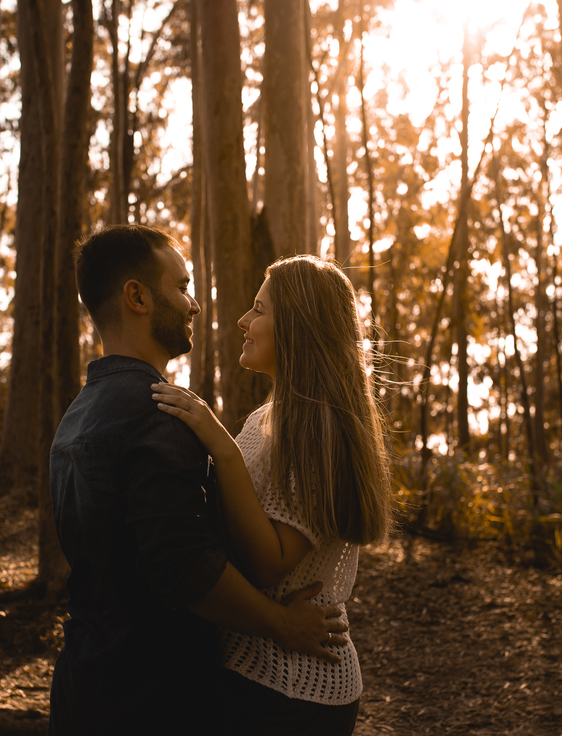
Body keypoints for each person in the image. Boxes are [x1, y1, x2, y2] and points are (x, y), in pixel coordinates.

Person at [48, 227, 349, 735]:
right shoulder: (160, 414)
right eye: (182, 286)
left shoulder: (73, 419)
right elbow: (184, 566)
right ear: (137, 297)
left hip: (83, 684)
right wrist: (281, 625)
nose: (194, 305)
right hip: (152, 698)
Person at [151, 255, 393, 736]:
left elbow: (270, 561)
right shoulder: (269, 419)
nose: (243, 320)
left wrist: (220, 446)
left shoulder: (316, 427)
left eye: (259, 310)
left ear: (298, 327)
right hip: (260, 674)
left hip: (296, 690)